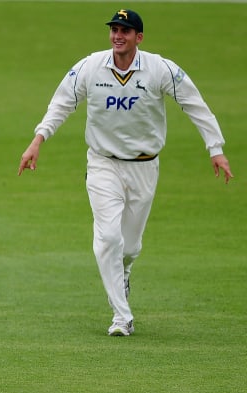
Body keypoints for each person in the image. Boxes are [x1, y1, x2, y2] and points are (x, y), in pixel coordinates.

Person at [18, 9, 233, 337]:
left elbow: (194, 103)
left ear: (139, 37)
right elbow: (62, 103)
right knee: (107, 238)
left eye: (126, 31)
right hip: (103, 163)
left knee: (129, 247)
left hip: (144, 166)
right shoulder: (91, 66)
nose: (118, 35)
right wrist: (38, 140)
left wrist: (215, 148)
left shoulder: (160, 69)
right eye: (115, 30)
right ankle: (122, 316)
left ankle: (124, 272)